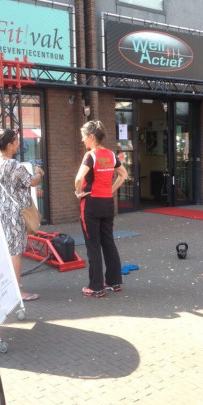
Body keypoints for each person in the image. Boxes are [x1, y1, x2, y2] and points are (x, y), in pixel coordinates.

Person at [75, 120, 128, 297]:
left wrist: (78, 193)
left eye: (83, 137)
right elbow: (123, 175)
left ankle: (96, 286)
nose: (82, 140)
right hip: (107, 203)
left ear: (91, 137)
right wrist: (110, 190)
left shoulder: (91, 155)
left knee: (93, 245)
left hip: (91, 204)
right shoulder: (111, 155)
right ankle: (114, 281)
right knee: (108, 241)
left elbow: (78, 178)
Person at [0, 128, 45, 302]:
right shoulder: (13, 165)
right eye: (16, 141)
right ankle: (17, 291)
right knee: (15, 252)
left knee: (8, 249)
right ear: (9, 144)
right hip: (15, 214)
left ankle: (10, 284)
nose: (18, 144)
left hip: (2, 212)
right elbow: (32, 182)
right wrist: (39, 173)